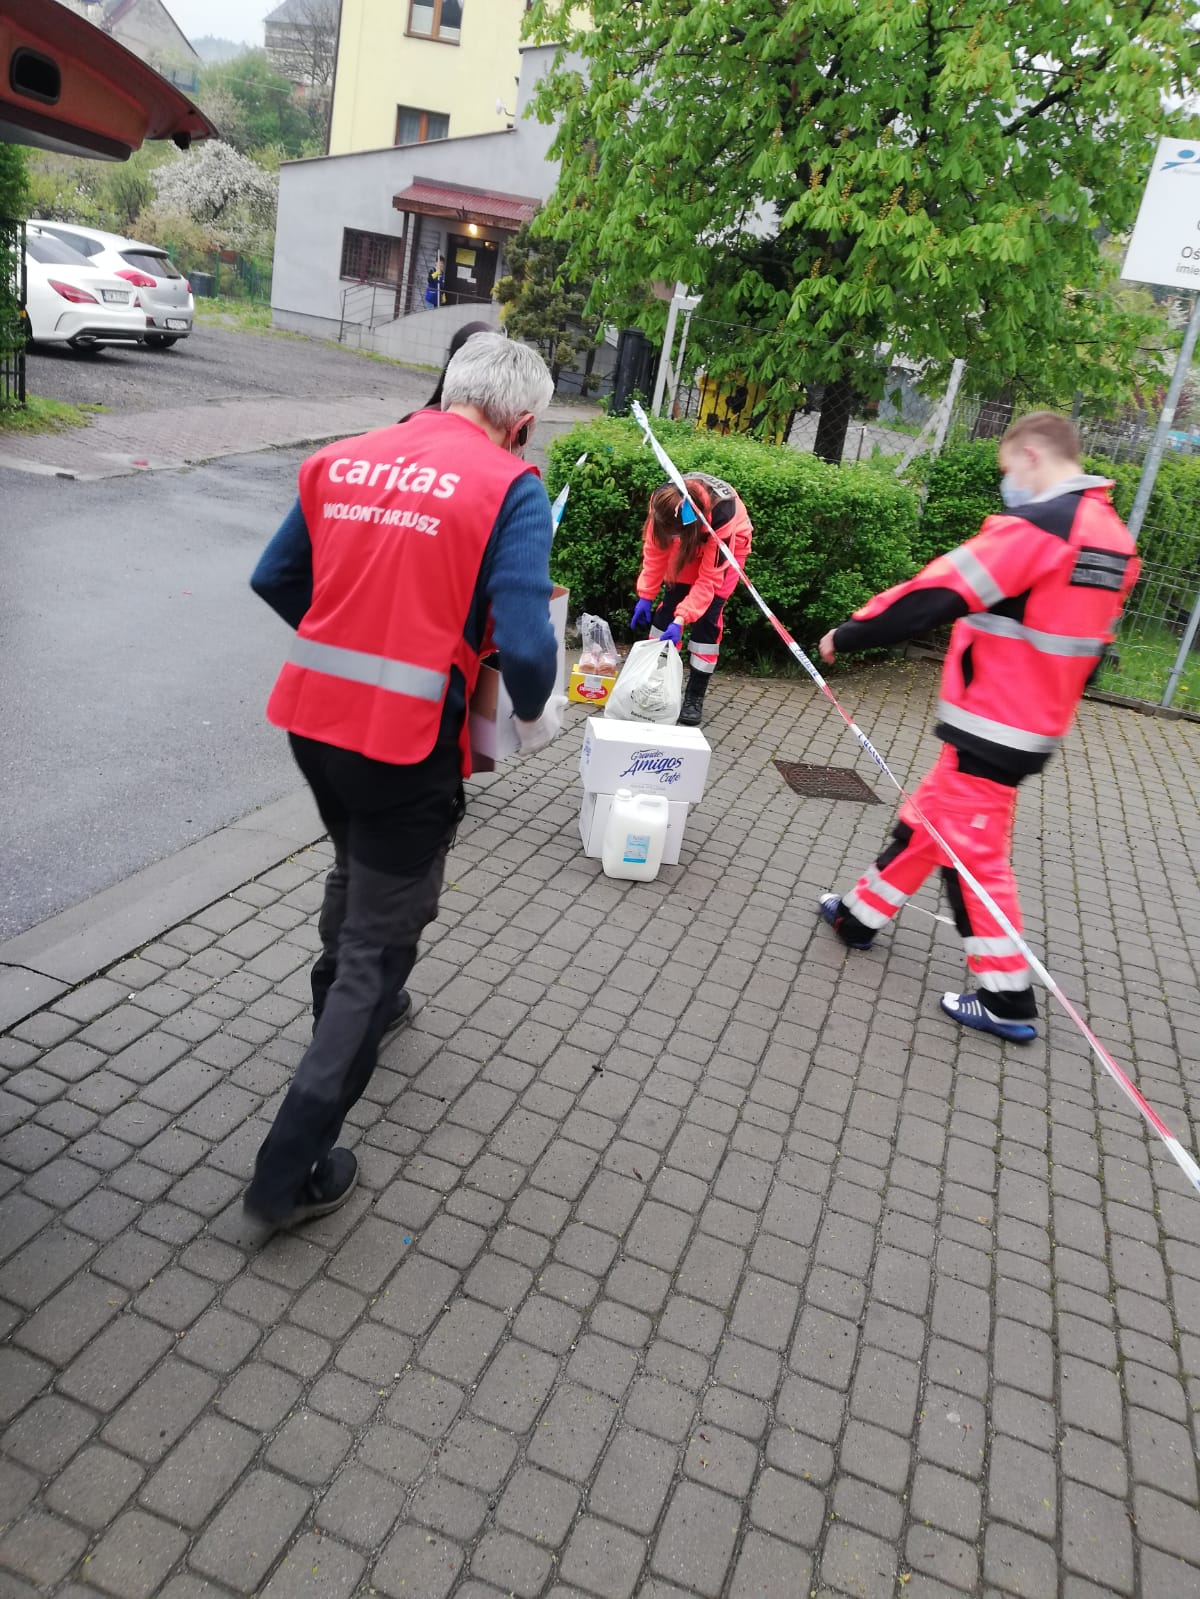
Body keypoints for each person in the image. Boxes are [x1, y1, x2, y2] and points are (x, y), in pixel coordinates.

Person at [245, 332, 566, 1226]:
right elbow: (528, 646)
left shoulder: (343, 457)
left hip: (314, 722)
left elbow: (276, 577)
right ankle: (288, 1172)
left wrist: (349, 637)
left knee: (355, 865)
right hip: (405, 747)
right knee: (379, 946)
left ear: (450, 387)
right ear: (522, 422)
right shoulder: (510, 486)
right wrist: (529, 709)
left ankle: (346, 999)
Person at [816, 411, 1139, 1043]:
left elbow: (940, 590)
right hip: (1033, 721)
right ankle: (858, 915)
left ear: (1032, 456)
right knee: (928, 821)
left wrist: (851, 632)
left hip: (994, 718)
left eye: (1006, 468)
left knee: (972, 858)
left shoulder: (1043, 526)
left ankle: (1006, 998)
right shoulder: (1112, 537)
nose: (1007, 483)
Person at [630, 472, 753, 726]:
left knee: (707, 619)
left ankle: (694, 695)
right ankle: (658, 685)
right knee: (668, 609)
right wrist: (646, 595)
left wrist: (682, 619)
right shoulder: (662, 504)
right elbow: (655, 552)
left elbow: (709, 579)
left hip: (727, 548)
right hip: (689, 539)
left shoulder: (722, 516)